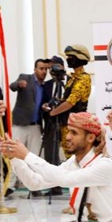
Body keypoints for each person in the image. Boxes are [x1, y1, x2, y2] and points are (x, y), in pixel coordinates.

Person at [9, 58, 51, 196]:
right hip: (20, 124)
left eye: (46, 69)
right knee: (14, 153)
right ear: (35, 69)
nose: (44, 71)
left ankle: (35, 187)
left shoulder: (45, 86)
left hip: (36, 125)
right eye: (41, 68)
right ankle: (10, 185)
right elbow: (12, 86)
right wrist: (18, 84)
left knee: (34, 157)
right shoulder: (25, 78)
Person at [49, 45, 92, 156]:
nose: (68, 59)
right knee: (68, 157)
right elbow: (65, 100)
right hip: (67, 124)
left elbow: (70, 103)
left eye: (71, 57)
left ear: (79, 58)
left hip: (76, 126)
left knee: (74, 157)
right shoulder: (72, 78)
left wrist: (53, 112)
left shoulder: (83, 78)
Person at [41, 59, 67, 196]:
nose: (52, 71)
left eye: (55, 67)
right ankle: (54, 186)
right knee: (51, 155)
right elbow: (43, 102)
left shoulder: (70, 83)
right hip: (51, 123)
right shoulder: (47, 85)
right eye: (50, 68)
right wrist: (45, 106)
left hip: (68, 123)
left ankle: (76, 184)